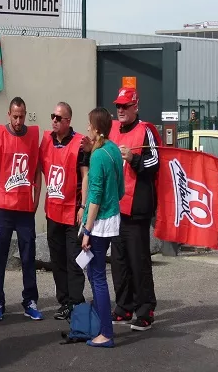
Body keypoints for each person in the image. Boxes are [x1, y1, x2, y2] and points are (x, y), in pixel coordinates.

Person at [0, 97, 43, 321]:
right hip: (3, 209)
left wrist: (37, 199)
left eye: (22, 116)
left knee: (28, 257)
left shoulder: (32, 136)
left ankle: (30, 301)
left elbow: (37, 171)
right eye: (15, 116)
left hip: (25, 209)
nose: (19, 121)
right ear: (8, 114)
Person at [109, 87, 161, 331]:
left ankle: (145, 310)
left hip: (137, 208)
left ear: (135, 107)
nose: (120, 110)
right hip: (116, 208)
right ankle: (123, 306)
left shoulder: (145, 131)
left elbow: (155, 162)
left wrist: (133, 158)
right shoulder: (112, 130)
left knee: (138, 262)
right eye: (118, 106)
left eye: (124, 106)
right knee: (119, 262)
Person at [39, 102, 90, 320]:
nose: (54, 120)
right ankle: (65, 302)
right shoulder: (46, 140)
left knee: (74, 259)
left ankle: (77, 302)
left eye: (59, 118)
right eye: (53, 116)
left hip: (72, 212)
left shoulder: (80, 143)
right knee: (57, 260)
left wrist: (83, 206)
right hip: (53, 211)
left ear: (68, 121)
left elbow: (85, 174)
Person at [81, 107, 125, 348]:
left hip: (99, 224)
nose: (87, 127)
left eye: (89, 124)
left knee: (97, 276)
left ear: (97, 128)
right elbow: (120, 189)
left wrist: (87, 230)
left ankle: (105, 333)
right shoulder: (114, 150)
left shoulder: (98, 156)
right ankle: (101, 325)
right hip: (112, 219)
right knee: (95, 273)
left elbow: (95, 196)